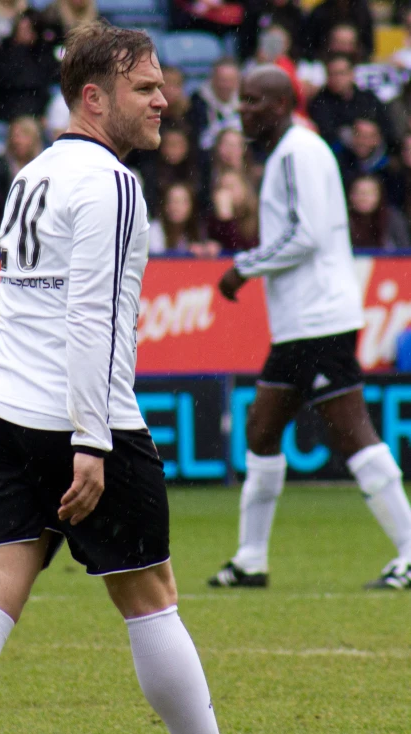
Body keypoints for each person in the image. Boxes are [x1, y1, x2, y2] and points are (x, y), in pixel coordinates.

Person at [0, 23, 306, 734]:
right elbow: (90, 314)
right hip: (79, 421)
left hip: (2, 408)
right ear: (94, 96)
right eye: (146, 87)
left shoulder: (32, 174)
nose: (165, 98)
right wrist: (92, 442)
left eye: (162, 84)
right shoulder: (113, 182)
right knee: (152, 598)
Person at [211, 65, 411, 591]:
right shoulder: (288, 152)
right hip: (301, 322)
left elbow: (308, 234)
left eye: (253, 101)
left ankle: (410, 551)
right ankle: (251, 560)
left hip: (321, 319)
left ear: (279, 106)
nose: (243, 109)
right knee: (262, 428)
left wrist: (244, 266)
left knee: (350, 430)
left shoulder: (299, 150)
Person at [347, 174, 410, 249]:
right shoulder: (343, 220)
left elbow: (405, 252)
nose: (363, 197)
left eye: (369, 193)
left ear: (380, 195)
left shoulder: (393, 219)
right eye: (358, 192)